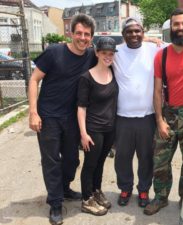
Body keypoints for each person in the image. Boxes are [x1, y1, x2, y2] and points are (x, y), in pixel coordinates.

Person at [28, 14, 97, 225]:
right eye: (78, 33)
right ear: (71, 33)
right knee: (51, 161)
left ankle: (65, 187)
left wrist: (151, 40)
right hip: (48, 117)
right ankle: (56, 203)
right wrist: (33, 112)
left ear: (91, 37)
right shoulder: (53, 52)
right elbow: (34, 79)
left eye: (86, 34)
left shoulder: (92, 56)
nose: (82, 38)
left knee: (71, 160)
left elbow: (117, 51)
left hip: (72, 119)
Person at [144, 8, 183, 218]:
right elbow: (156, 91)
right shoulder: (161, 56)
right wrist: (160, 120)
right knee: (160, 160)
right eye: (176, 24)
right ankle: (160, 197)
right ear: (171, 28)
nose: (180, 28)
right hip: (168, 114)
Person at [113, 17, 167, 208]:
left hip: (147, 116)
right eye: (130, 31)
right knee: (122, 157)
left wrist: (152, 40)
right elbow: (95, 53)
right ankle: (125, 188)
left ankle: (143, 189)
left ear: (143, 33)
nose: (134, 34)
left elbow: (179, 48)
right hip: (122, 117)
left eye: (138, 31)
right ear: (123, 35)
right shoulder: (116, 52)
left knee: (146, 157)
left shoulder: (155, 49)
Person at [77, 37, 118, 216]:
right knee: (90, 164)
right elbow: (81, 108)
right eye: (104, 53)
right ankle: (86, 200)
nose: (108, 56)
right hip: (93, 129)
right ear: (97, 53)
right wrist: (83, 134)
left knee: (101, 163)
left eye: (111, 53)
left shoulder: (113, 73)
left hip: (110, 128)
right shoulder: (86, 77)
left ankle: (96, 191)